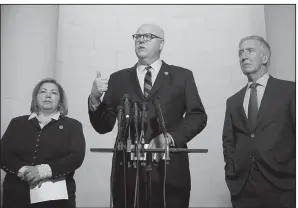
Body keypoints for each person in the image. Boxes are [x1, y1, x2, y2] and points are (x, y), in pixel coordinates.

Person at [88, 23, 207, 208]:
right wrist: (95, 99)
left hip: (169, 172)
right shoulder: (118, 79)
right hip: (128, 173)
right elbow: (104, 126)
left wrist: (170, 137)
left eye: (148, 36)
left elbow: (198, 116)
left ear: (161, 44)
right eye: (137, 36)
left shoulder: (182, 76)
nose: (141, 39)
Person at [222, 35, 295, 208]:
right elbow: (228, 141)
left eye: (250, 51)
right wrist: (231, 171)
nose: (243, 56)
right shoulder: (233, 101)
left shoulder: (290, 91)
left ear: (265, 58)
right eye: (240, 52)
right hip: (243, 187)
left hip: (283, 184)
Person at [1, 78, 86, 208]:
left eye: (54, 92)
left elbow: (76, 157)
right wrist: (24, 171)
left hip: (56, 199)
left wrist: (42, 171)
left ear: (60, 101)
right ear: (35, 97)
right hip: (16, 196)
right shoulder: (16, 123)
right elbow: (3, 153)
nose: (48, 95)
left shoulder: (73, 126)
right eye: (43, 91)